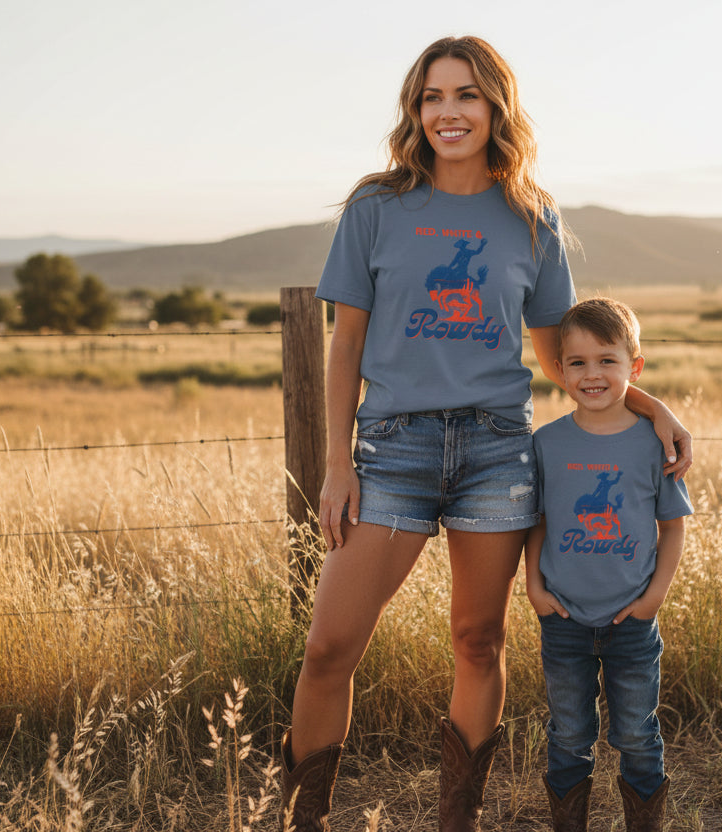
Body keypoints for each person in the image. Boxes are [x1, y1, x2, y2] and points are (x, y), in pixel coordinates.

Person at [281, 36, 693, 832]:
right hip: (393, 448)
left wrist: (649, 407)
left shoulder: (531, 218)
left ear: (495, 107)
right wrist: (337, 463)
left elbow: (564, 357)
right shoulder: (376, 209)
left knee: (477, 641)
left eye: (466, 95)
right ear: (415, 110)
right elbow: (345, 344)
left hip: (496, 452)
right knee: (329, 647)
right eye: (432, 97)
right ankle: (304, 822)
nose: (448, 112)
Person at [524, 298, 693, 832]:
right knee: (569, 735)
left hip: (632, 622)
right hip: (564, 619)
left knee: (637, 735)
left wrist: (653, 599)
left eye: (607, 361)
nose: (591, 374)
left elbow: (673, 526)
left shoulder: (654, 443)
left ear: (634, 367)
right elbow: (539, 521)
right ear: (559, 370)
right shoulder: (547, 443)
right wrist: (534, 588)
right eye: (577, 363)